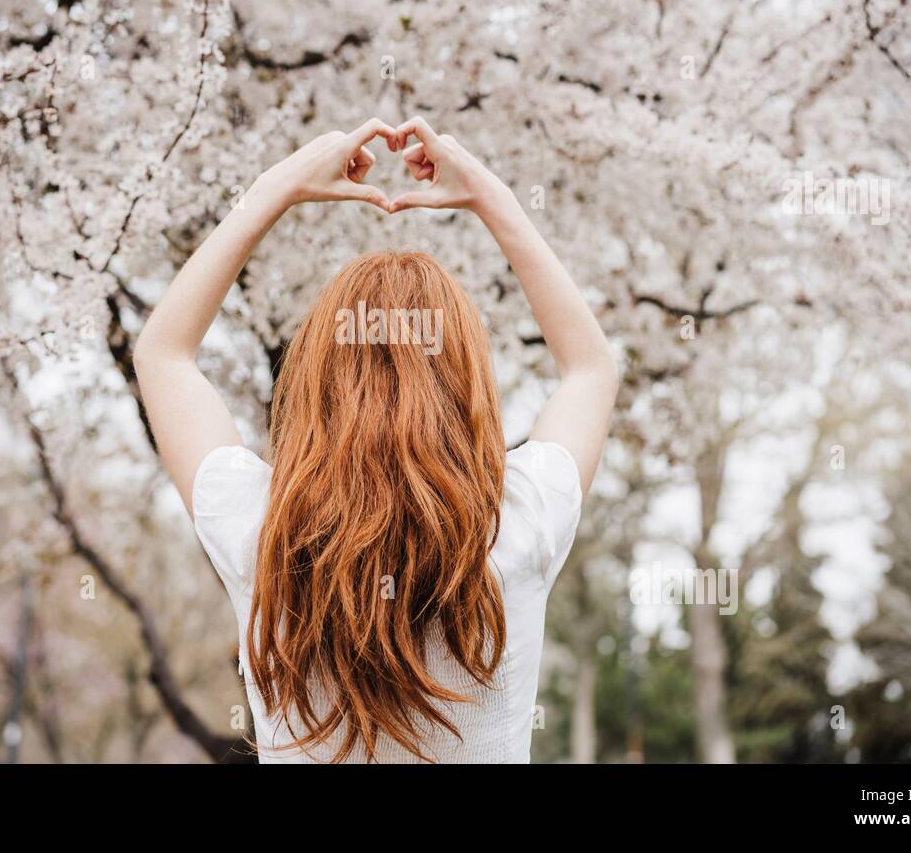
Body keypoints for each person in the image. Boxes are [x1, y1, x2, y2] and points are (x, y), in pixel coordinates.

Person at [134, 116, 618, 762]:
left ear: (316, 376)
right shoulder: (523, 519)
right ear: (464, 377)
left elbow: (163, 354)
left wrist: (275, 189)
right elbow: (592, 367)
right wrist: (490, 197)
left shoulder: (259, 527)